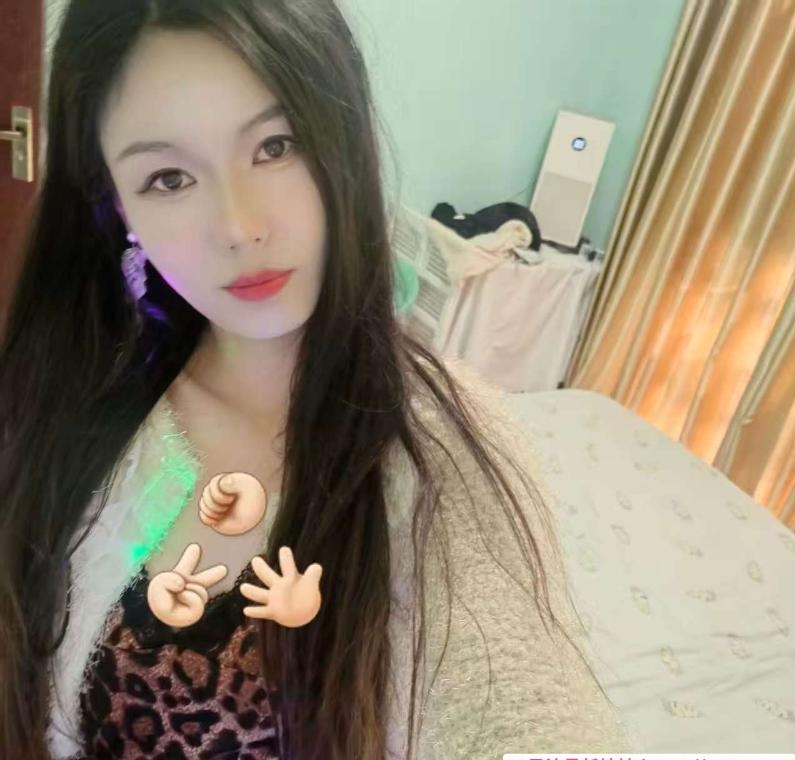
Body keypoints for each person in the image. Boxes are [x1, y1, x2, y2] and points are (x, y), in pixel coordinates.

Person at [0, 1, 633, 758]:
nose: (240, 226)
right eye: (169, 177)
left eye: (277, 145)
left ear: (342, 140)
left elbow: (526, 715)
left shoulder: (443, 452)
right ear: (116, 205)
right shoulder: (71, 393)